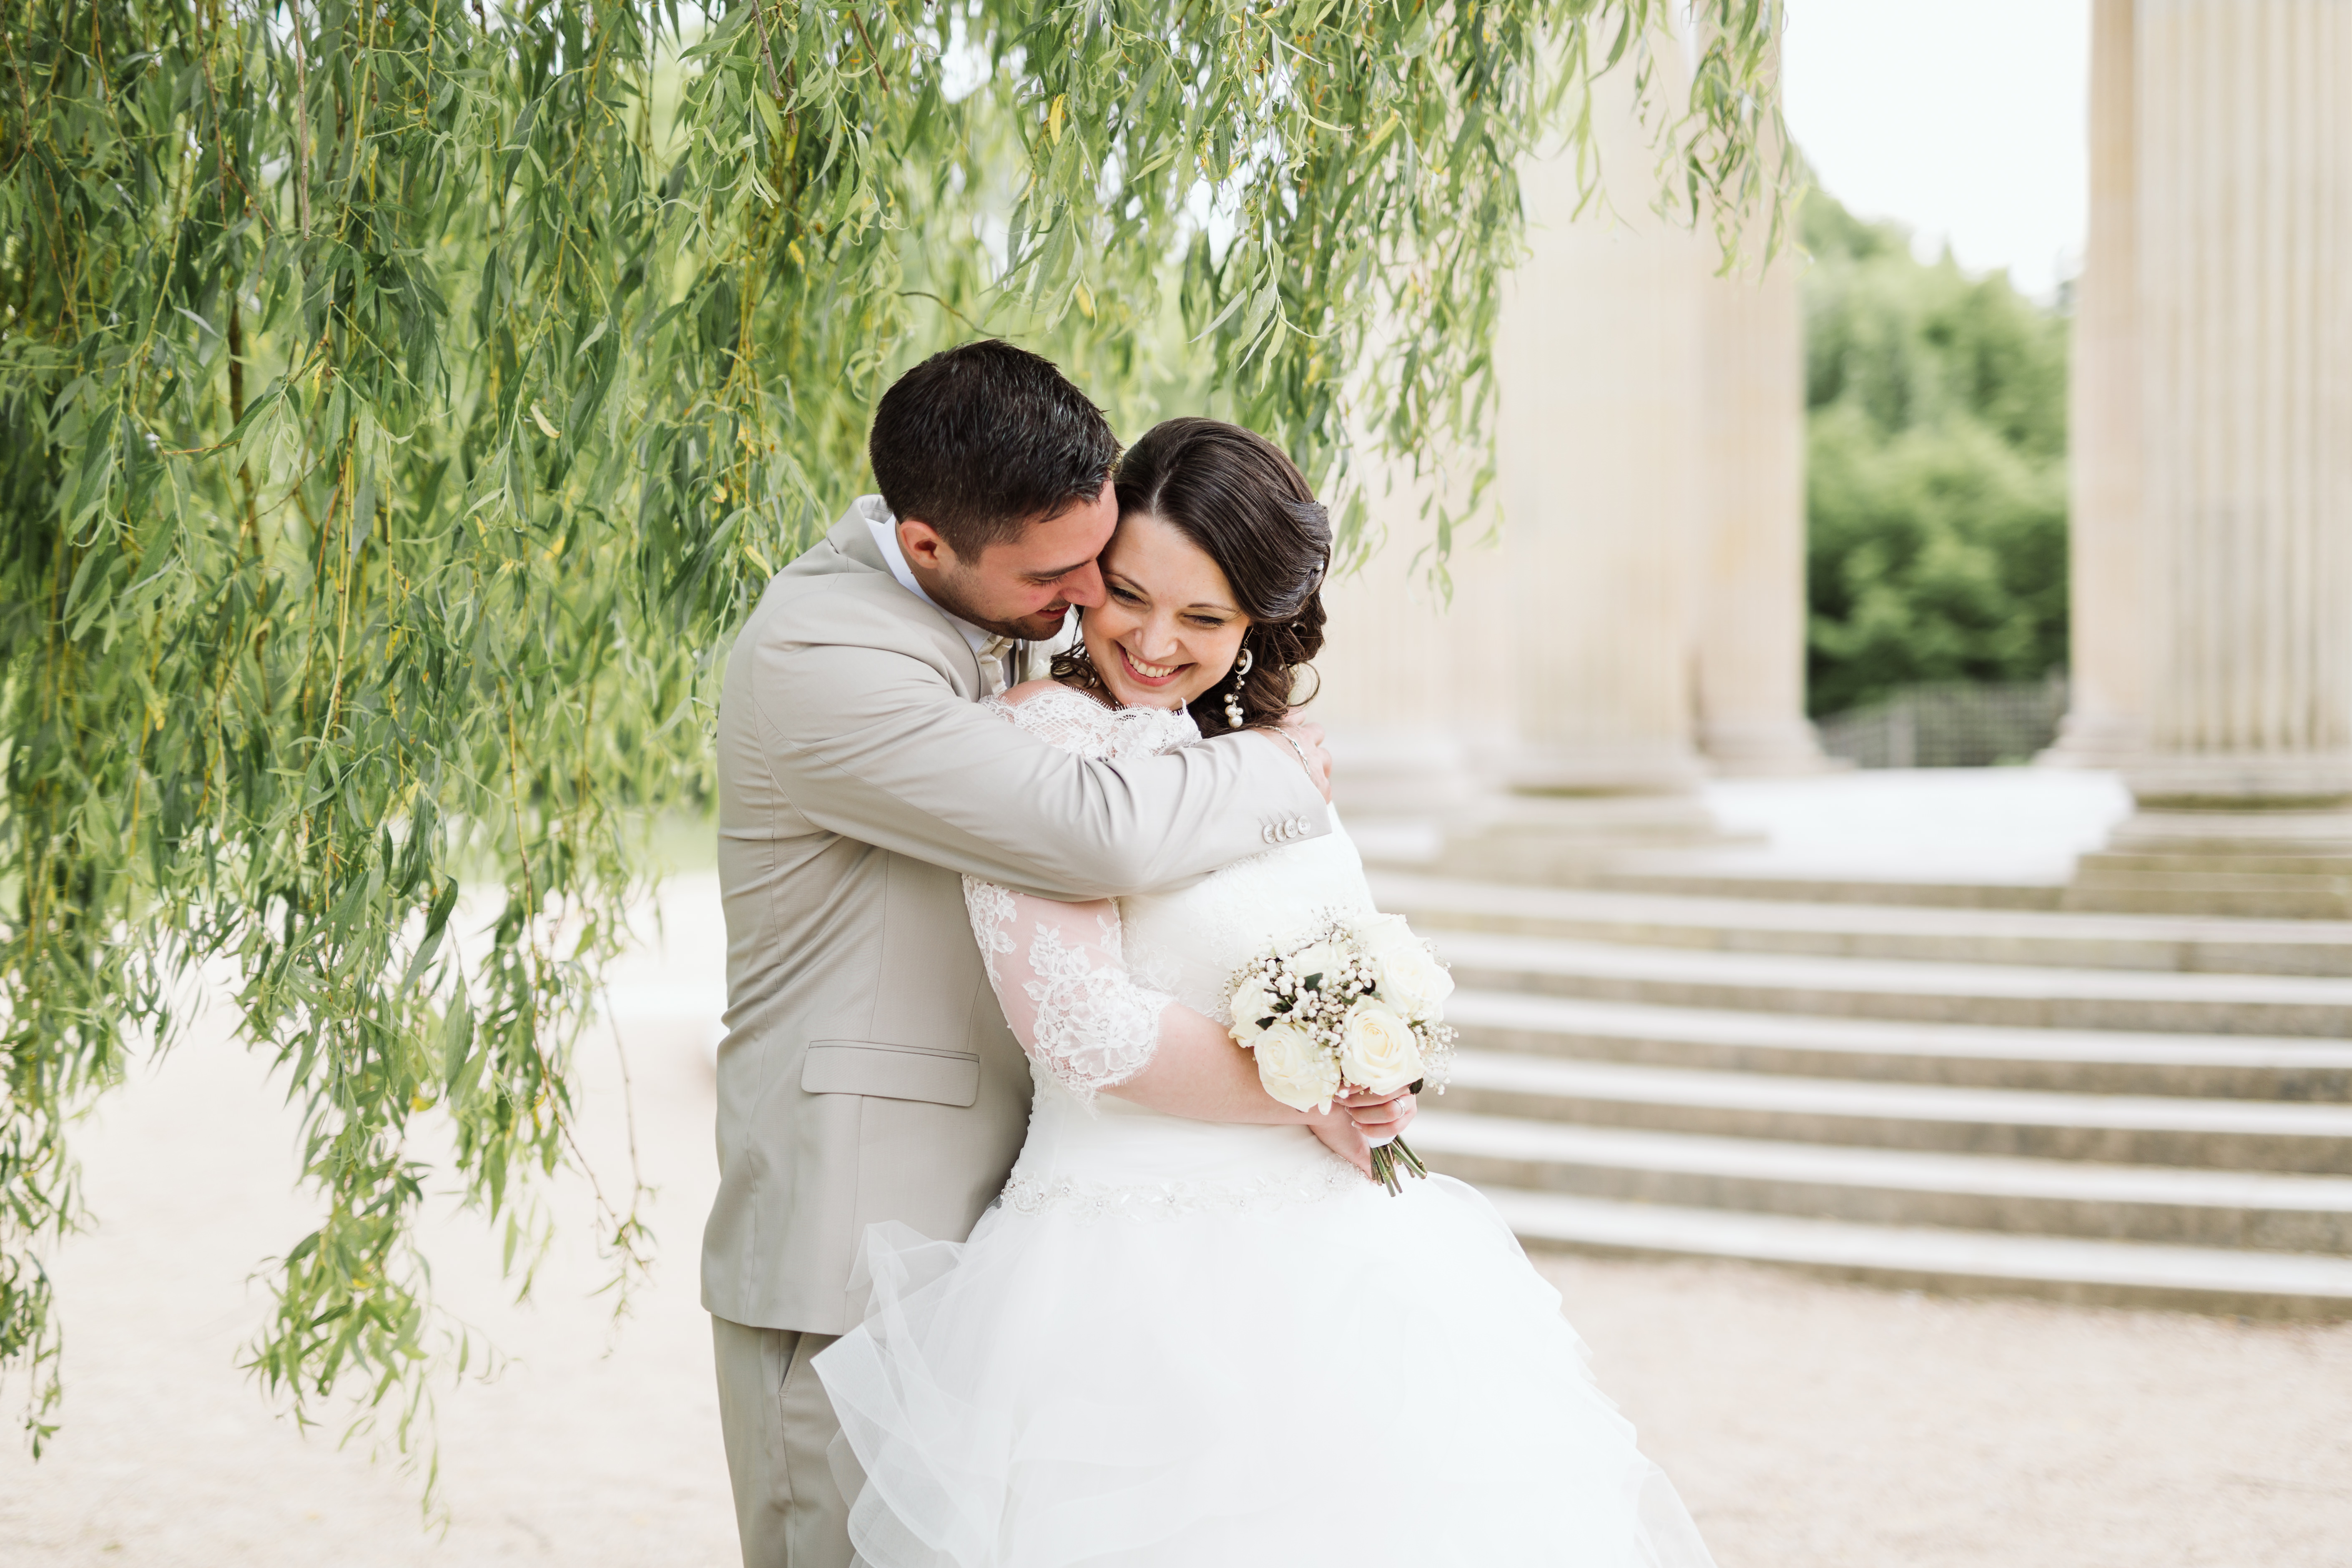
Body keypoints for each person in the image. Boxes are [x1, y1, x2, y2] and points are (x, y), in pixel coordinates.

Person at [812, 418, 1717, 1567]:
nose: (1149, 642)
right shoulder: (1037, 741)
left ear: (1259, 620)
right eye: (1127, 595)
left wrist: (1378, 1063)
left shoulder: (1284, 747)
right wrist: (1312, 1097)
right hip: (1123, 1265)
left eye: (1202, 617)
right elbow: (1082, 1023)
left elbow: (1328, 959)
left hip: (1348, 1263)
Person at [703, 343, 1413, 1568]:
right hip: (859, 1218)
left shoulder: (1020, 608)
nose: (1096, 596)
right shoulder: (823, 655)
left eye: (1110, 560)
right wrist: (1279, 764)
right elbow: (1090, 829)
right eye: (1073, 575)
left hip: (1036, 1215)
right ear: (928, 546)